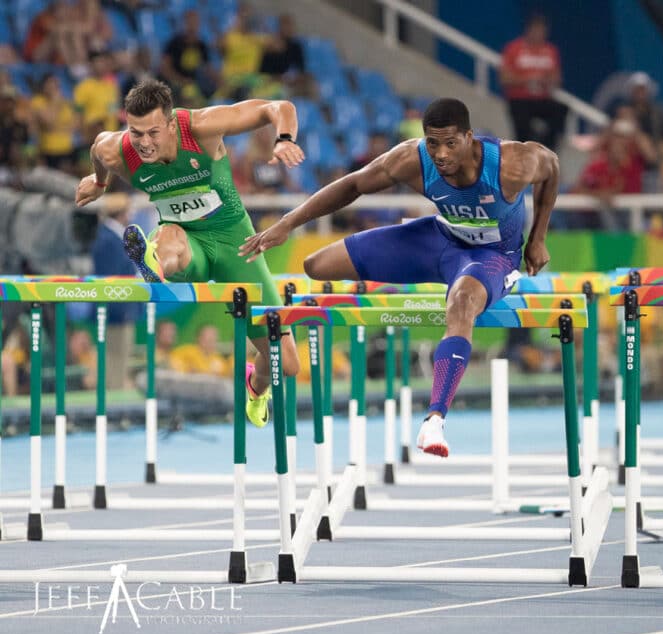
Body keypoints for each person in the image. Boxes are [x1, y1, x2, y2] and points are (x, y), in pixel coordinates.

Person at [239, 98, 559, 457]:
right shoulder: (412, 159)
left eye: (451, 143)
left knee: (463, 301)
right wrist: (289, 222)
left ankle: (434, 419)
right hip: (438, 241)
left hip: (493, 257)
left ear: (469, 138)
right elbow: (353, 185)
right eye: (432, 143)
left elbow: (552, 168)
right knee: (317, 266)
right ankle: (259, 377)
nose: (440, 154)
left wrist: (538, 237)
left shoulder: (511, 164)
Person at [73, 79, 303, 426]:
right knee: (168, 237)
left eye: (153, 132)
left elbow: (279, 108)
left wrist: (284, 139)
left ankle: (256, 385)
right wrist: (99, 181)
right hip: (184, 241)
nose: (145, 143)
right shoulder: (116, 149)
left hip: (234, 244)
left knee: (286, 363)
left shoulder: (201, 127)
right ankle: (152, 263)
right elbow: (97, 150)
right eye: (136, 133)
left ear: (169, 123)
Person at [91, 192, 143, 390]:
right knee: (114, 357)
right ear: (121, 214)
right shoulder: (106, 239)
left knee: (120, 357)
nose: (131, 215)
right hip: (115, 310)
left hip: (122, 308)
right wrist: (121, 310)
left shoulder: (115, 236)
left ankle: (115, 392)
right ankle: (112, 401)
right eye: (128, 211)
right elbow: (110, 278)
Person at [499, 13, 566, 150]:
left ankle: (546, 146)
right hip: (519, 98)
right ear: (528, 30)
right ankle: (525, 150)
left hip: (541, 97)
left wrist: (546, 81)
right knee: (521, 124)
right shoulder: (513, 48)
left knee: (561, 110)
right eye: (535, 30)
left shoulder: (550, 50)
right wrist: (527, 79)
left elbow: (557, 78)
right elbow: (504, 78)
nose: (538, 34)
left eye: (542, 31)